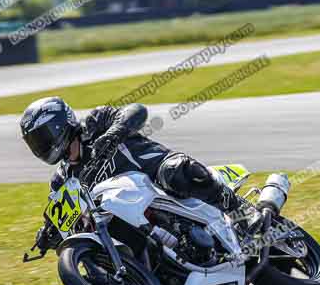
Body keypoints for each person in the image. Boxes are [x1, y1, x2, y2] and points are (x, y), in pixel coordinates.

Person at [20, 97, 260, 251]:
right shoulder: (62, 178)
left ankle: (242, 211)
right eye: (35, 142)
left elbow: (136, 110)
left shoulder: (95, 123)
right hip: (134, 214)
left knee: (174, 171)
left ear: (61, 124)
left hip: (156, 175)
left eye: (43, 136)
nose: (41, 145)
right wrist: (49, 232)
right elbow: (61, 214)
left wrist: (113, 133)